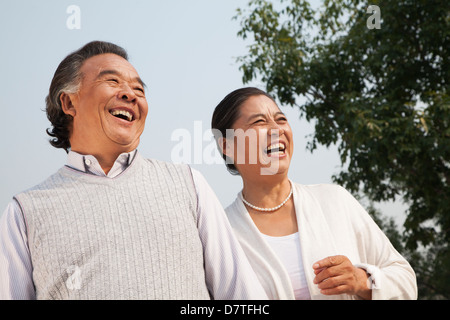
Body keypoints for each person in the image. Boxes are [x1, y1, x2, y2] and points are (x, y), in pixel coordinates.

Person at [0, 41, 268, 300]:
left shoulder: (188, 184)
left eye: (138, 90)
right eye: (112, 81)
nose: (130, 94)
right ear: (69, 104)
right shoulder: (24, 213)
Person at [211, 87, 417, 300]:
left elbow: (406, 281)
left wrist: (360, 280)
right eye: (259, 122)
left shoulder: (334, 201)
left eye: (281, 119)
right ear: (227, 145)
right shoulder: (222, 235)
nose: (276, 129)